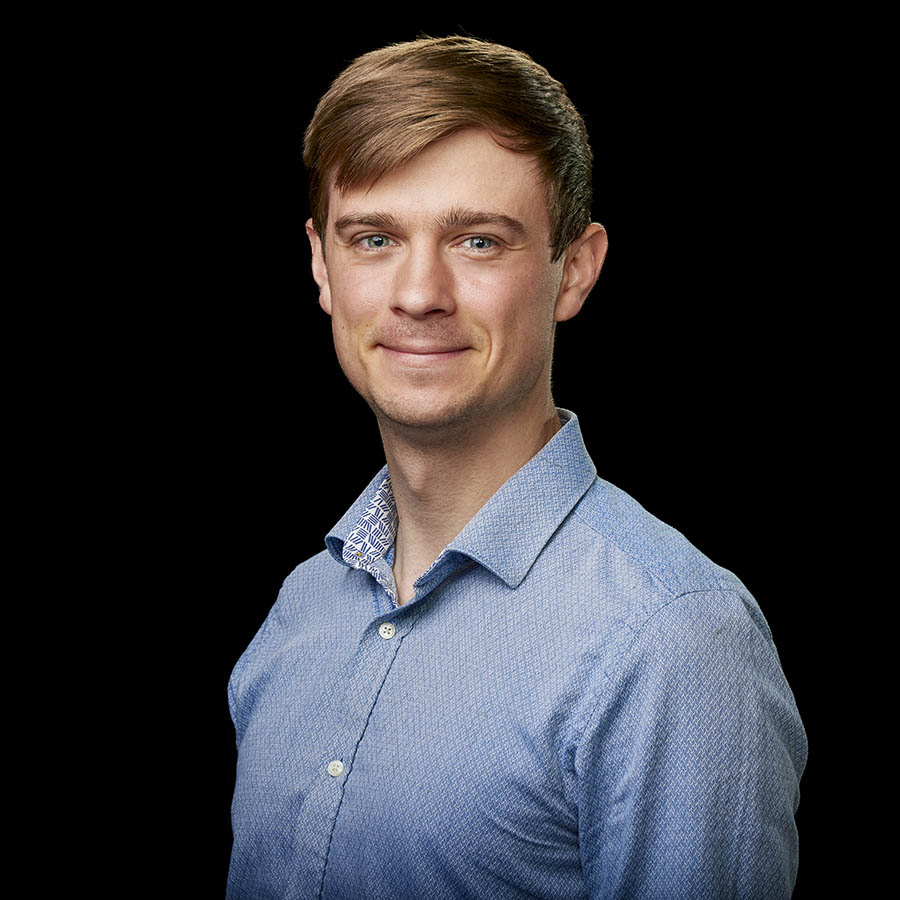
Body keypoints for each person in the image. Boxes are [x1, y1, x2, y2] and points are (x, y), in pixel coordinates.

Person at [227, 36, 806, 899]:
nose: (419, 293)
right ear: (322, 263)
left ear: (574, 270)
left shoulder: (673, 638)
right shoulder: (300, 609)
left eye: (479, 243)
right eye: (376, 238)